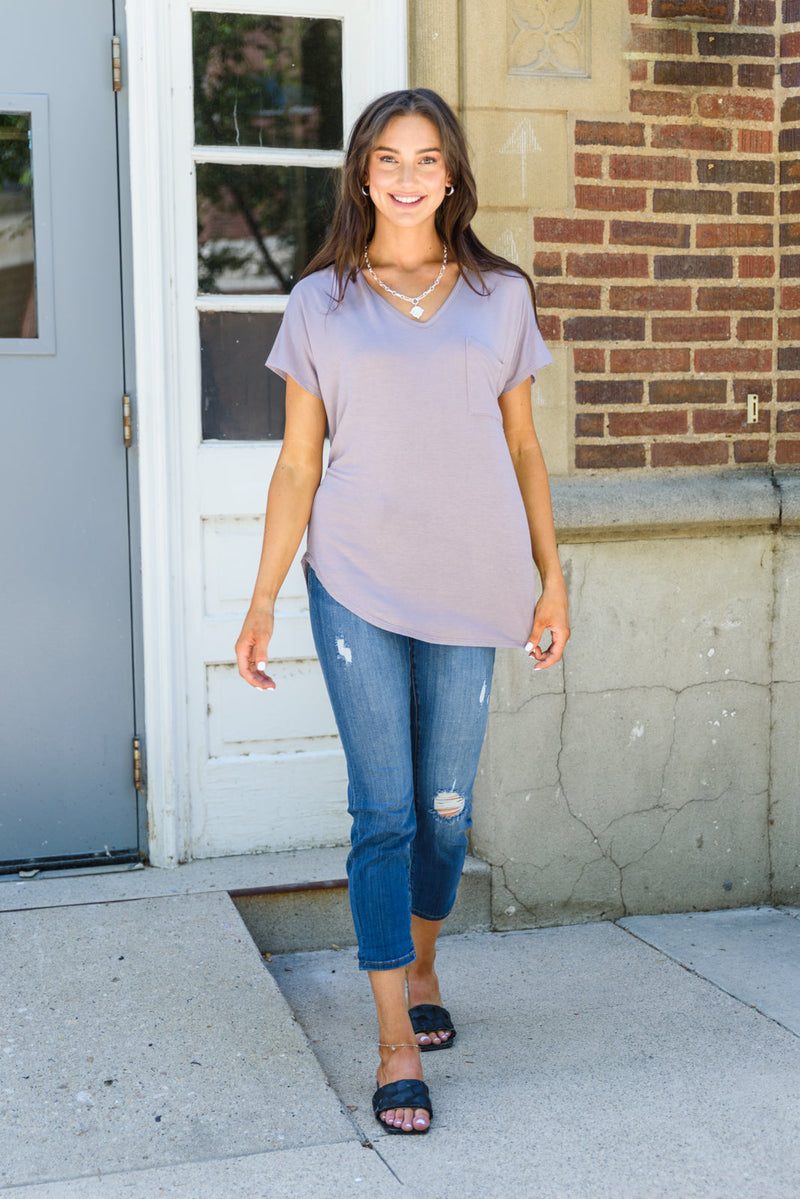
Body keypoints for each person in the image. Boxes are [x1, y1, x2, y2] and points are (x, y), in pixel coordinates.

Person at [235, 88, 569, 1136]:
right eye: (388, 158)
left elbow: (521, 446)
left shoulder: (498, 295)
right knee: (380, 809)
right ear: (363, 175)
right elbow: (298, 463)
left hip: (475, 581)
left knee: (443, 809)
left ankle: (421, 962)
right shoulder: (320, 302)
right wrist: (258, 600)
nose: (409, 175)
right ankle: (390, 1036)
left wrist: (550, 576)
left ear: (452, 175)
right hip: (356, 578)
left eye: (427, 158)